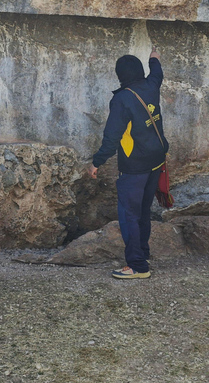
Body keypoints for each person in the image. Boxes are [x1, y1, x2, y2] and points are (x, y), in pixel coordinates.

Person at [89, 48, 169, 279]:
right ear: (140, 71)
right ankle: (143, 252)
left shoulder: (122, 99)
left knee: (129, 215)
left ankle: (138, 266)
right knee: (143, 211)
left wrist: (97, 162)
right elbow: (157, 72)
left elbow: (112, 137)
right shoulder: (151, 86)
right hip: (156, 161)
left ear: (120, 75)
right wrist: (154, 57)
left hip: (135, 167)